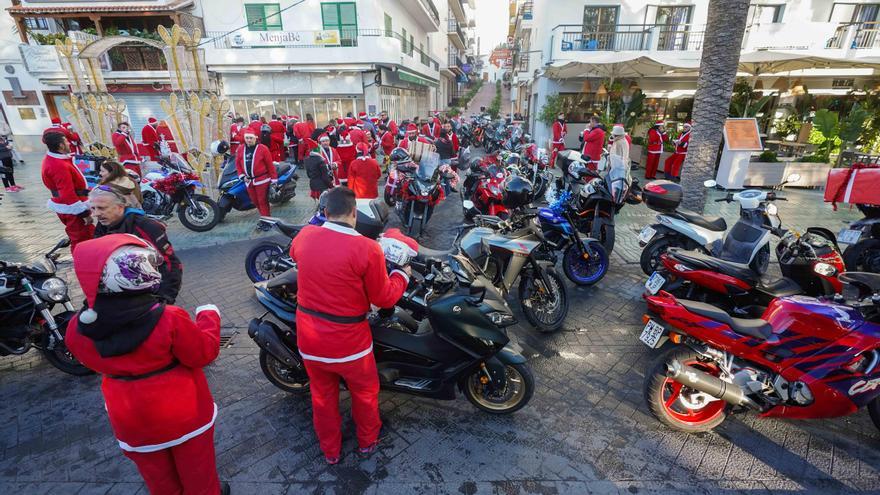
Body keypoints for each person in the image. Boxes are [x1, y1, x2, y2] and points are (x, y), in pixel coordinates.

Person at [64, 234, 226, 495]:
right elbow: (202, 354)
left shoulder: (77, 328)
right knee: (199, 475)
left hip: (130, 416)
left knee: (159, 482)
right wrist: (208, 316)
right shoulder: (169, 318)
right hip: (183, 411)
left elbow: (90, 361)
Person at [290, 186, 411, 464]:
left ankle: (330, 452)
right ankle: (367, 443)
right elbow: (383, 297)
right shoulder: (367, 248)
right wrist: (401, 276)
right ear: (355, 213)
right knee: (365, 394)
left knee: (322, 399)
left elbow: (297, 252)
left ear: (324, 212)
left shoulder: (305, 236)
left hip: (310, 341)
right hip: (350, 345)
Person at [89, 187, 183, 303]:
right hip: (118, 295)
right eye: (93, 208)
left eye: (102, 208)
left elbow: (171, 263)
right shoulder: (102, 226)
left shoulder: (145, 226)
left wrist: (165, 299)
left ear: (120, 206)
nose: (96, 214)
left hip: (148, 295)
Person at [42, 131, 94, 251]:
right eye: (66, 141)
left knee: (87, 236)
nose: (69, 143)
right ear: (60, 145)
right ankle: (83, 265)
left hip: (73, 204)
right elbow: (67, 193)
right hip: (72, 209)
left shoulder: (55, 160)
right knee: (81, 239)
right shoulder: (57, 165)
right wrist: (83, 214)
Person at [236, 129, 277, 217]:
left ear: (255, 138)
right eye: (247, 138)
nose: (249, 140)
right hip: (248, 181)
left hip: (262, 180)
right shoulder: (240, 149)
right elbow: (238, 164)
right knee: (255, 201)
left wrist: (274, 179)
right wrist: (242, 176)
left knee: (262, 201)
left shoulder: (263, 148)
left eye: (251, 138)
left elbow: (270, 165)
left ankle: (267, 220)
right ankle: (264, 217)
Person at [303, 137, 333, 202]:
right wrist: (332, 186)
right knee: (324, 204)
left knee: (318, 203)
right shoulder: (321, 160)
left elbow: (308, 175)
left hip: (313, 185)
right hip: (322, 186)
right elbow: (325, 177)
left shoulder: (306, 160)